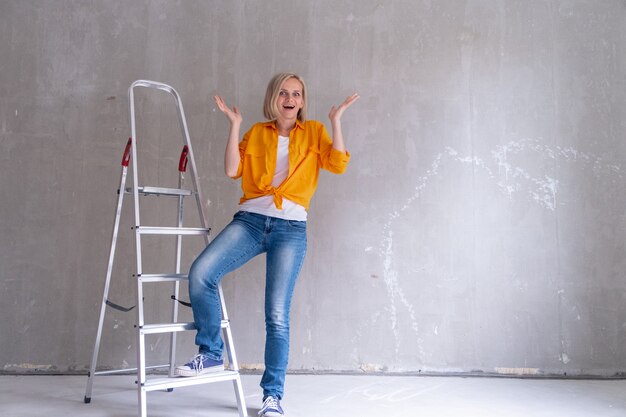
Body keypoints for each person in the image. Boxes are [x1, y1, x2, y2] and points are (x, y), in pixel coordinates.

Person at [175, 72, 359, 417]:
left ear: (303, 101)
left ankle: (272, 397)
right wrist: (234, 125)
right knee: (201, 273)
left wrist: (336, 122)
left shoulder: (316, 132)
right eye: (283, 93)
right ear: (274, 99)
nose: (290, 99)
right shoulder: (257, 133)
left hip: (290, 228)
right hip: (250, 221)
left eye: (297, 94)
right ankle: (212, 351)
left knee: (276, 315)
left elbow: (337, 164)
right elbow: (233, 170)